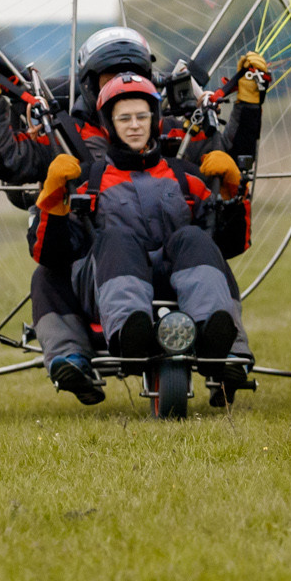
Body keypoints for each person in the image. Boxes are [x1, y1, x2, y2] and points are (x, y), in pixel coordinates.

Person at [24, 68, 260, 407]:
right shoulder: (88, 181)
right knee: (114, 240)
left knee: (194, 237)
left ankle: (217, 337)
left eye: (141, 116)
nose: (134, 125)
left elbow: (230, 243)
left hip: (174, 284)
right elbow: (52, 253)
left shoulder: (186, 177)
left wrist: (233, 193)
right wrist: (52, 200)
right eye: (124, 119)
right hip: (106, 283)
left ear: (155, 120)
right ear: (109, 124)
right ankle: (128, 333)